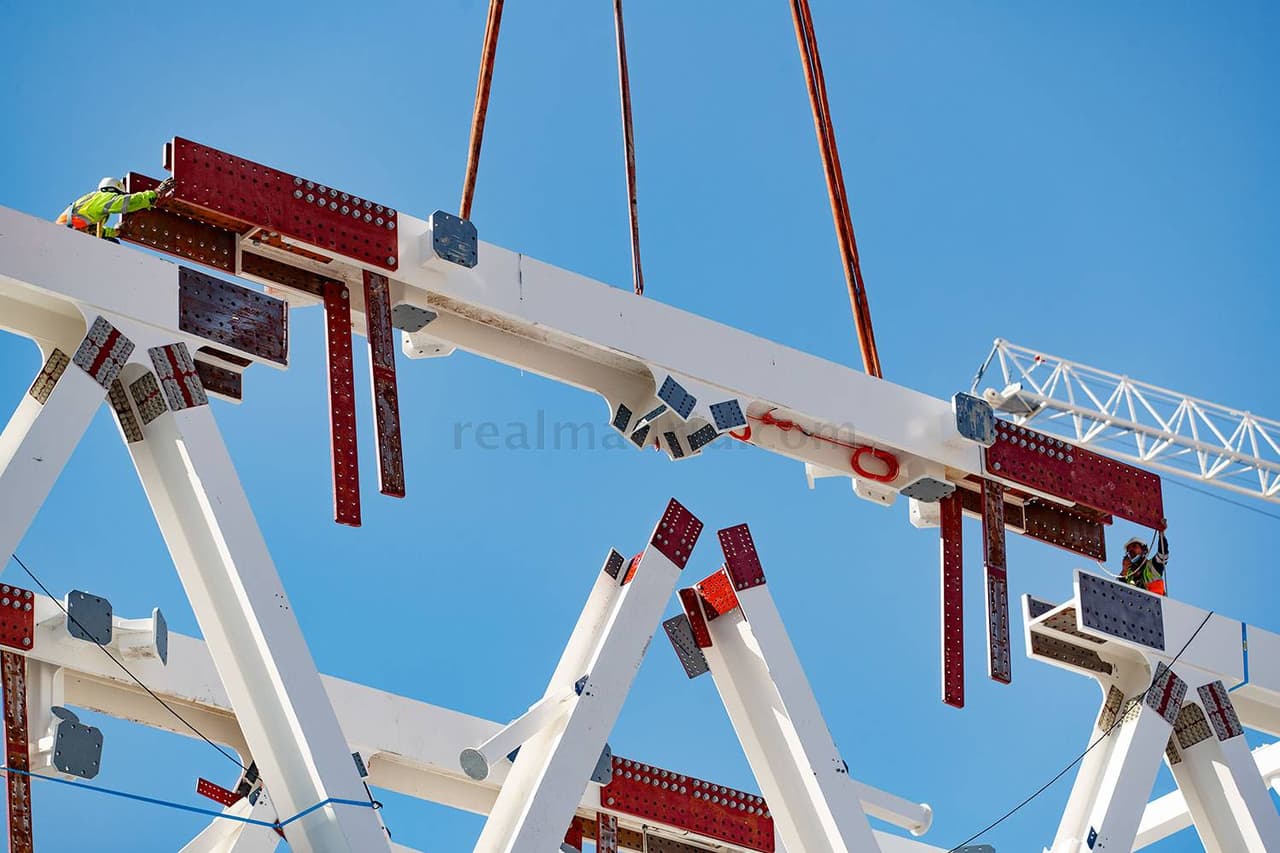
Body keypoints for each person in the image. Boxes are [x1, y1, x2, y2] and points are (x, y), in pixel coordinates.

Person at [55, 176, 172, 242]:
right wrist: (155, 193)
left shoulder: (92, 202)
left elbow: (93, 230)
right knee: (111, 246)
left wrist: (115, 232)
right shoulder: (103, 197)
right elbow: (128, 202)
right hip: (68, 236)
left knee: (111, 241)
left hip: (66, 235)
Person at [1120, 531, 1169, 595]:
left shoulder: (1152, 566)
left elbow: (1162, 555)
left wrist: (1161, 535)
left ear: (1144, 550)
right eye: (1128, 550)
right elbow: (1117, 591)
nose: (1131, 551)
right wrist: (1124, 571)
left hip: (1156, 600)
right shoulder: (1128, 575)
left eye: (1134, 546)